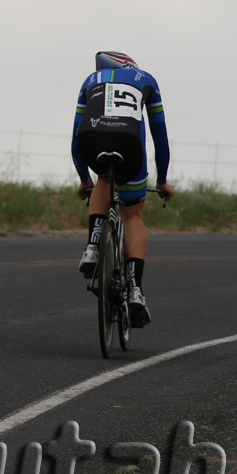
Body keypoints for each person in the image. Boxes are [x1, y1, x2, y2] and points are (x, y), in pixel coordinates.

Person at [71, 51, 174, 327]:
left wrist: (84, 178)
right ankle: (134, 288)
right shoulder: (146, 80)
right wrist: (162, 180)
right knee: (132, 216)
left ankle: (92, 246)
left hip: (90, 142)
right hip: (129, 146)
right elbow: (160, 138)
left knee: (103, 178)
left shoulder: (90, 80)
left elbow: (74, 138)